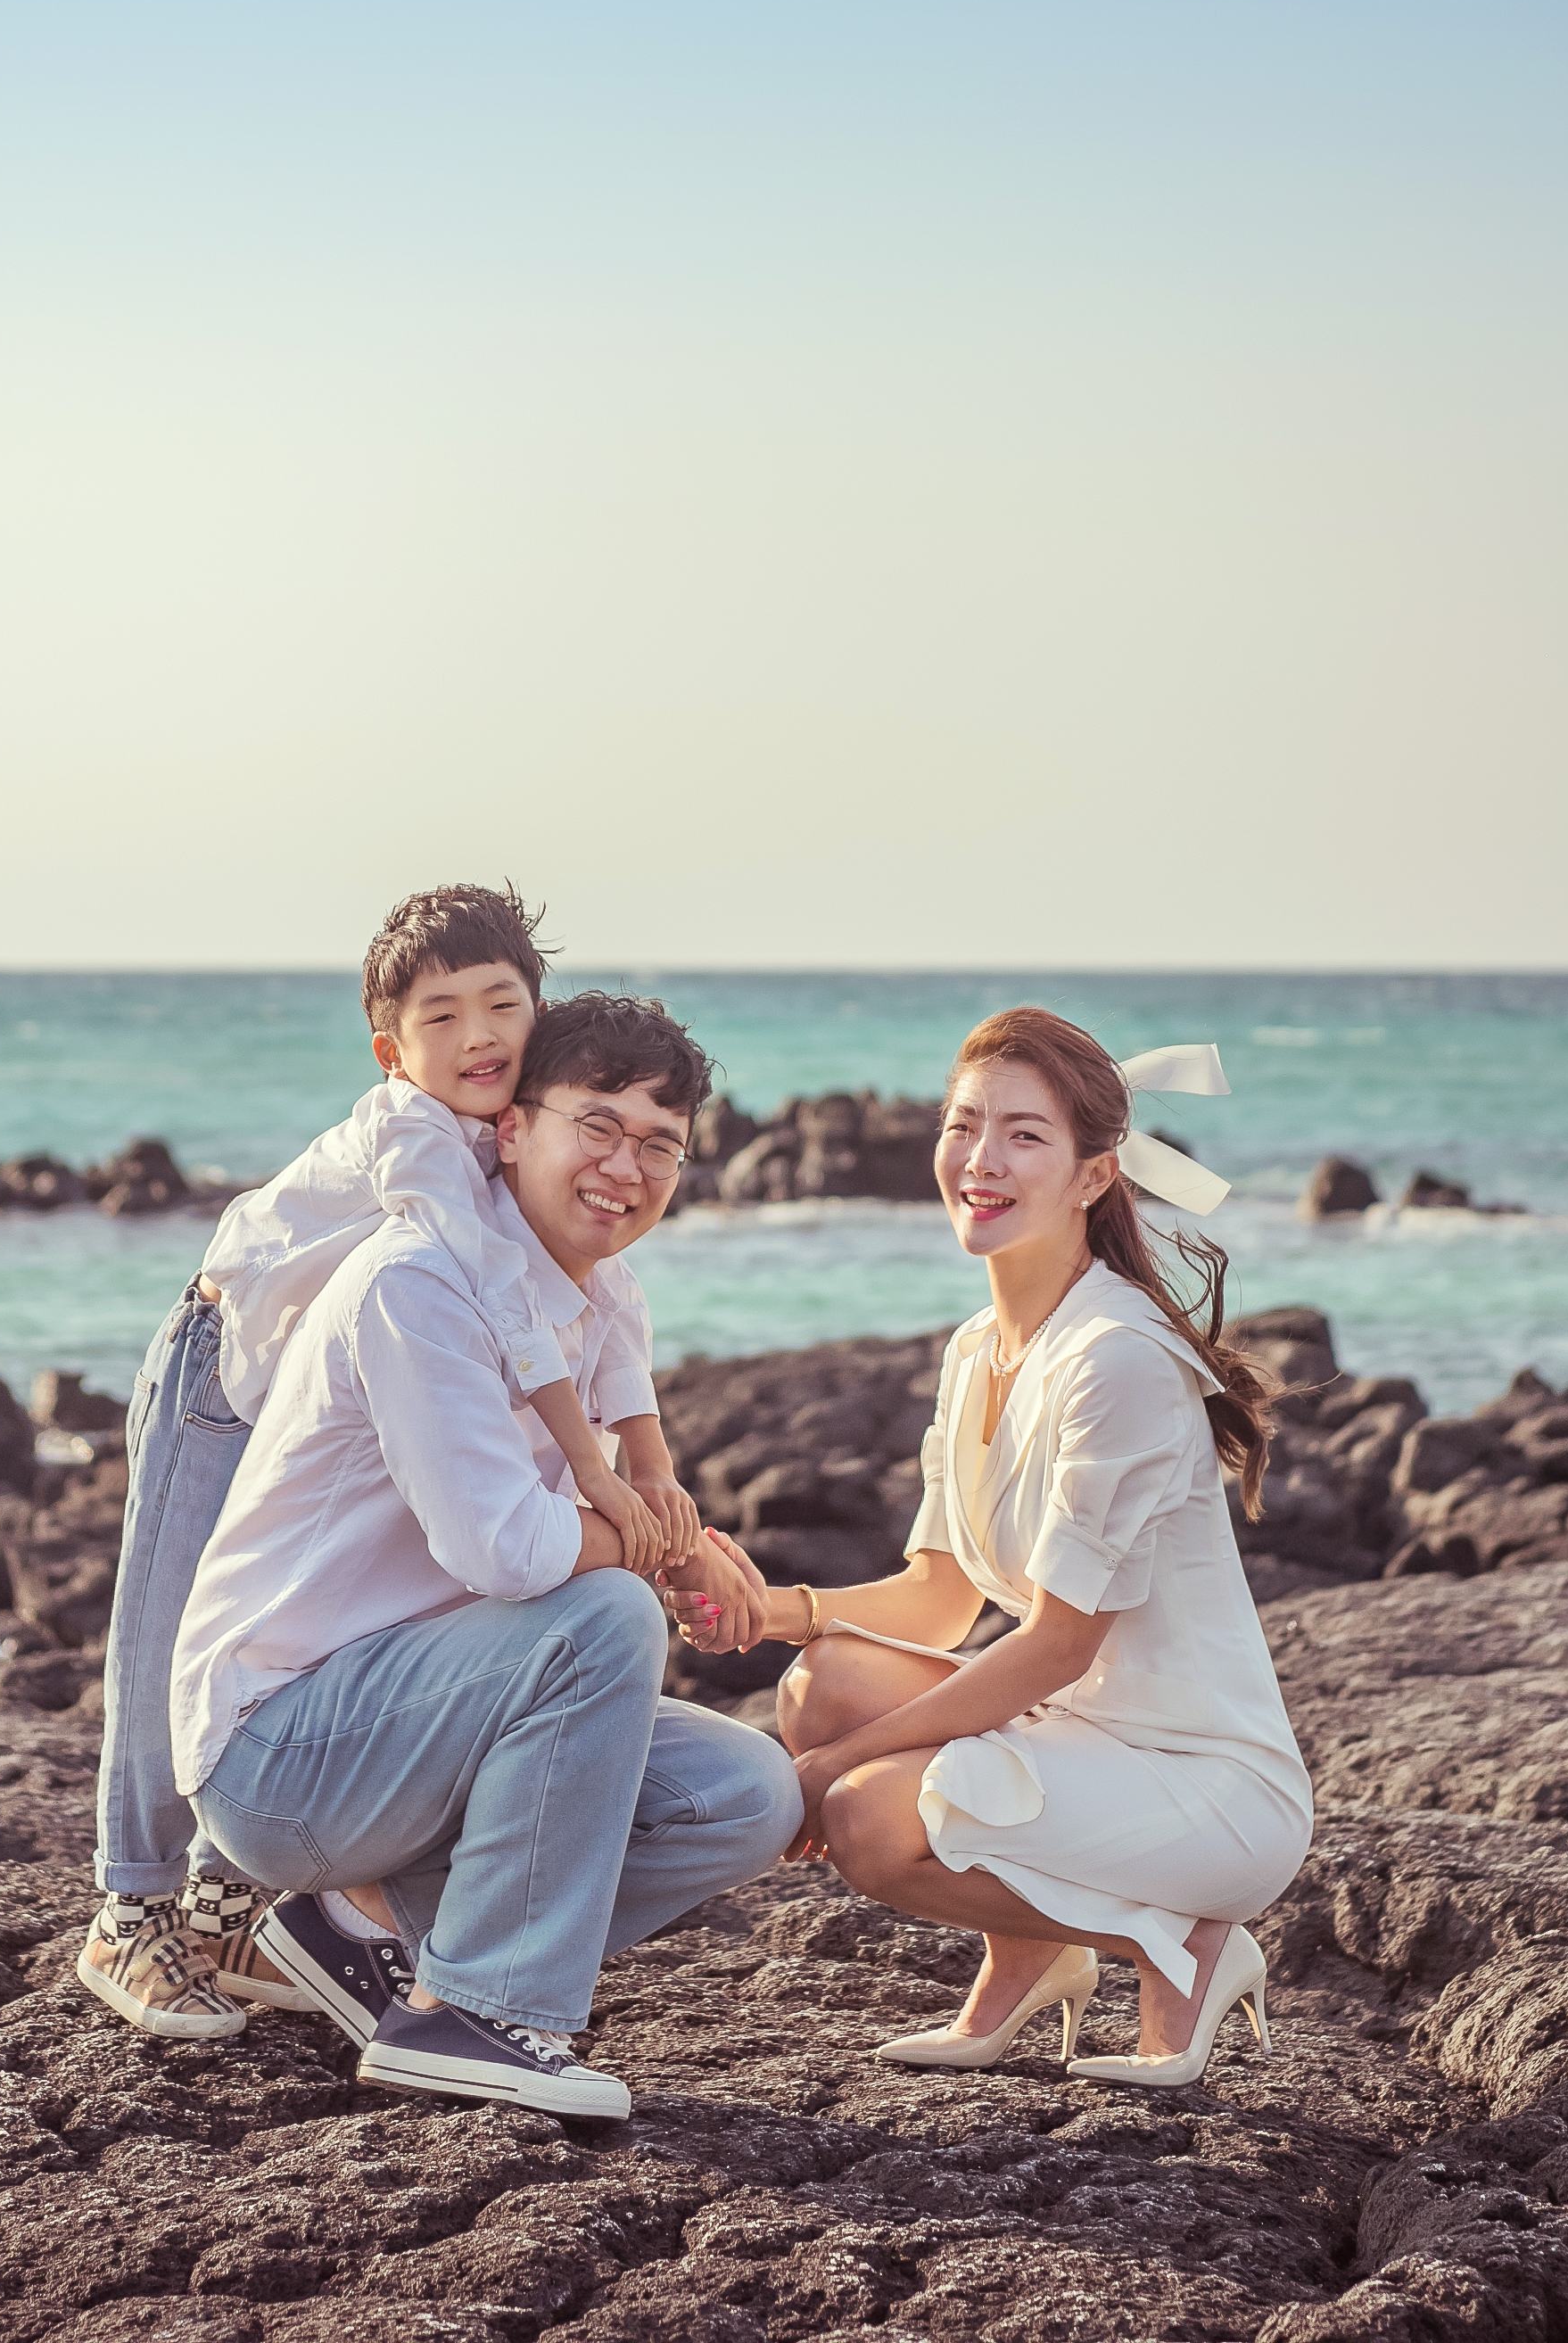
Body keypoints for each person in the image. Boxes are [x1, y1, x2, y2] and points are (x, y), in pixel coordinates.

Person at [75, 885, 701, 2042]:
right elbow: (495, 1292)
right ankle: (131, 1906)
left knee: (335, 1609)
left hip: (329, 1380)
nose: (478, 1037)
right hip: (225, 1368)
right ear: (392, 1048)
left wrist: (651, 1472)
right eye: (442, 1015)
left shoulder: (533, 1126)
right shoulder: (417, 1134)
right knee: (166, 1634)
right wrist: (598, 1473)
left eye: (501, 1005)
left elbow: (601, 1299)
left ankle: (241, 1903)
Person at [169, 991, 800, 2119]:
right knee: (605, 1615)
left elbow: (594, 1509)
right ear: (513, 1128)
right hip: (282, 1748)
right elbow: (508, 1551)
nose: (626, 1164)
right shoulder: (417, 1283)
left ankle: (353, 1926)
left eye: (660, 1143)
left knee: (747, 1792)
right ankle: (476, 2008)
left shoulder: (593, 1296)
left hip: (415, 1722)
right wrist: (666, 1549)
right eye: (595, 1124)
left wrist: (673, 1535)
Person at [665, 1006, 1312, 2086]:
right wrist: (763, 1609)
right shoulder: (977, 1347)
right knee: (821, 1682)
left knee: (868, 1815)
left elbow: (1055, 1645)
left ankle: (1185, 1941)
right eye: (963, 1124)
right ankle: (1033, 1949)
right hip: (1076, 1740)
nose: (979, 1159)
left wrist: (837, 1767)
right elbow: (939, 1598)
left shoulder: (1116, 1358)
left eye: (1023, 1134)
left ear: (1093, 1175)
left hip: (1201, 1782)